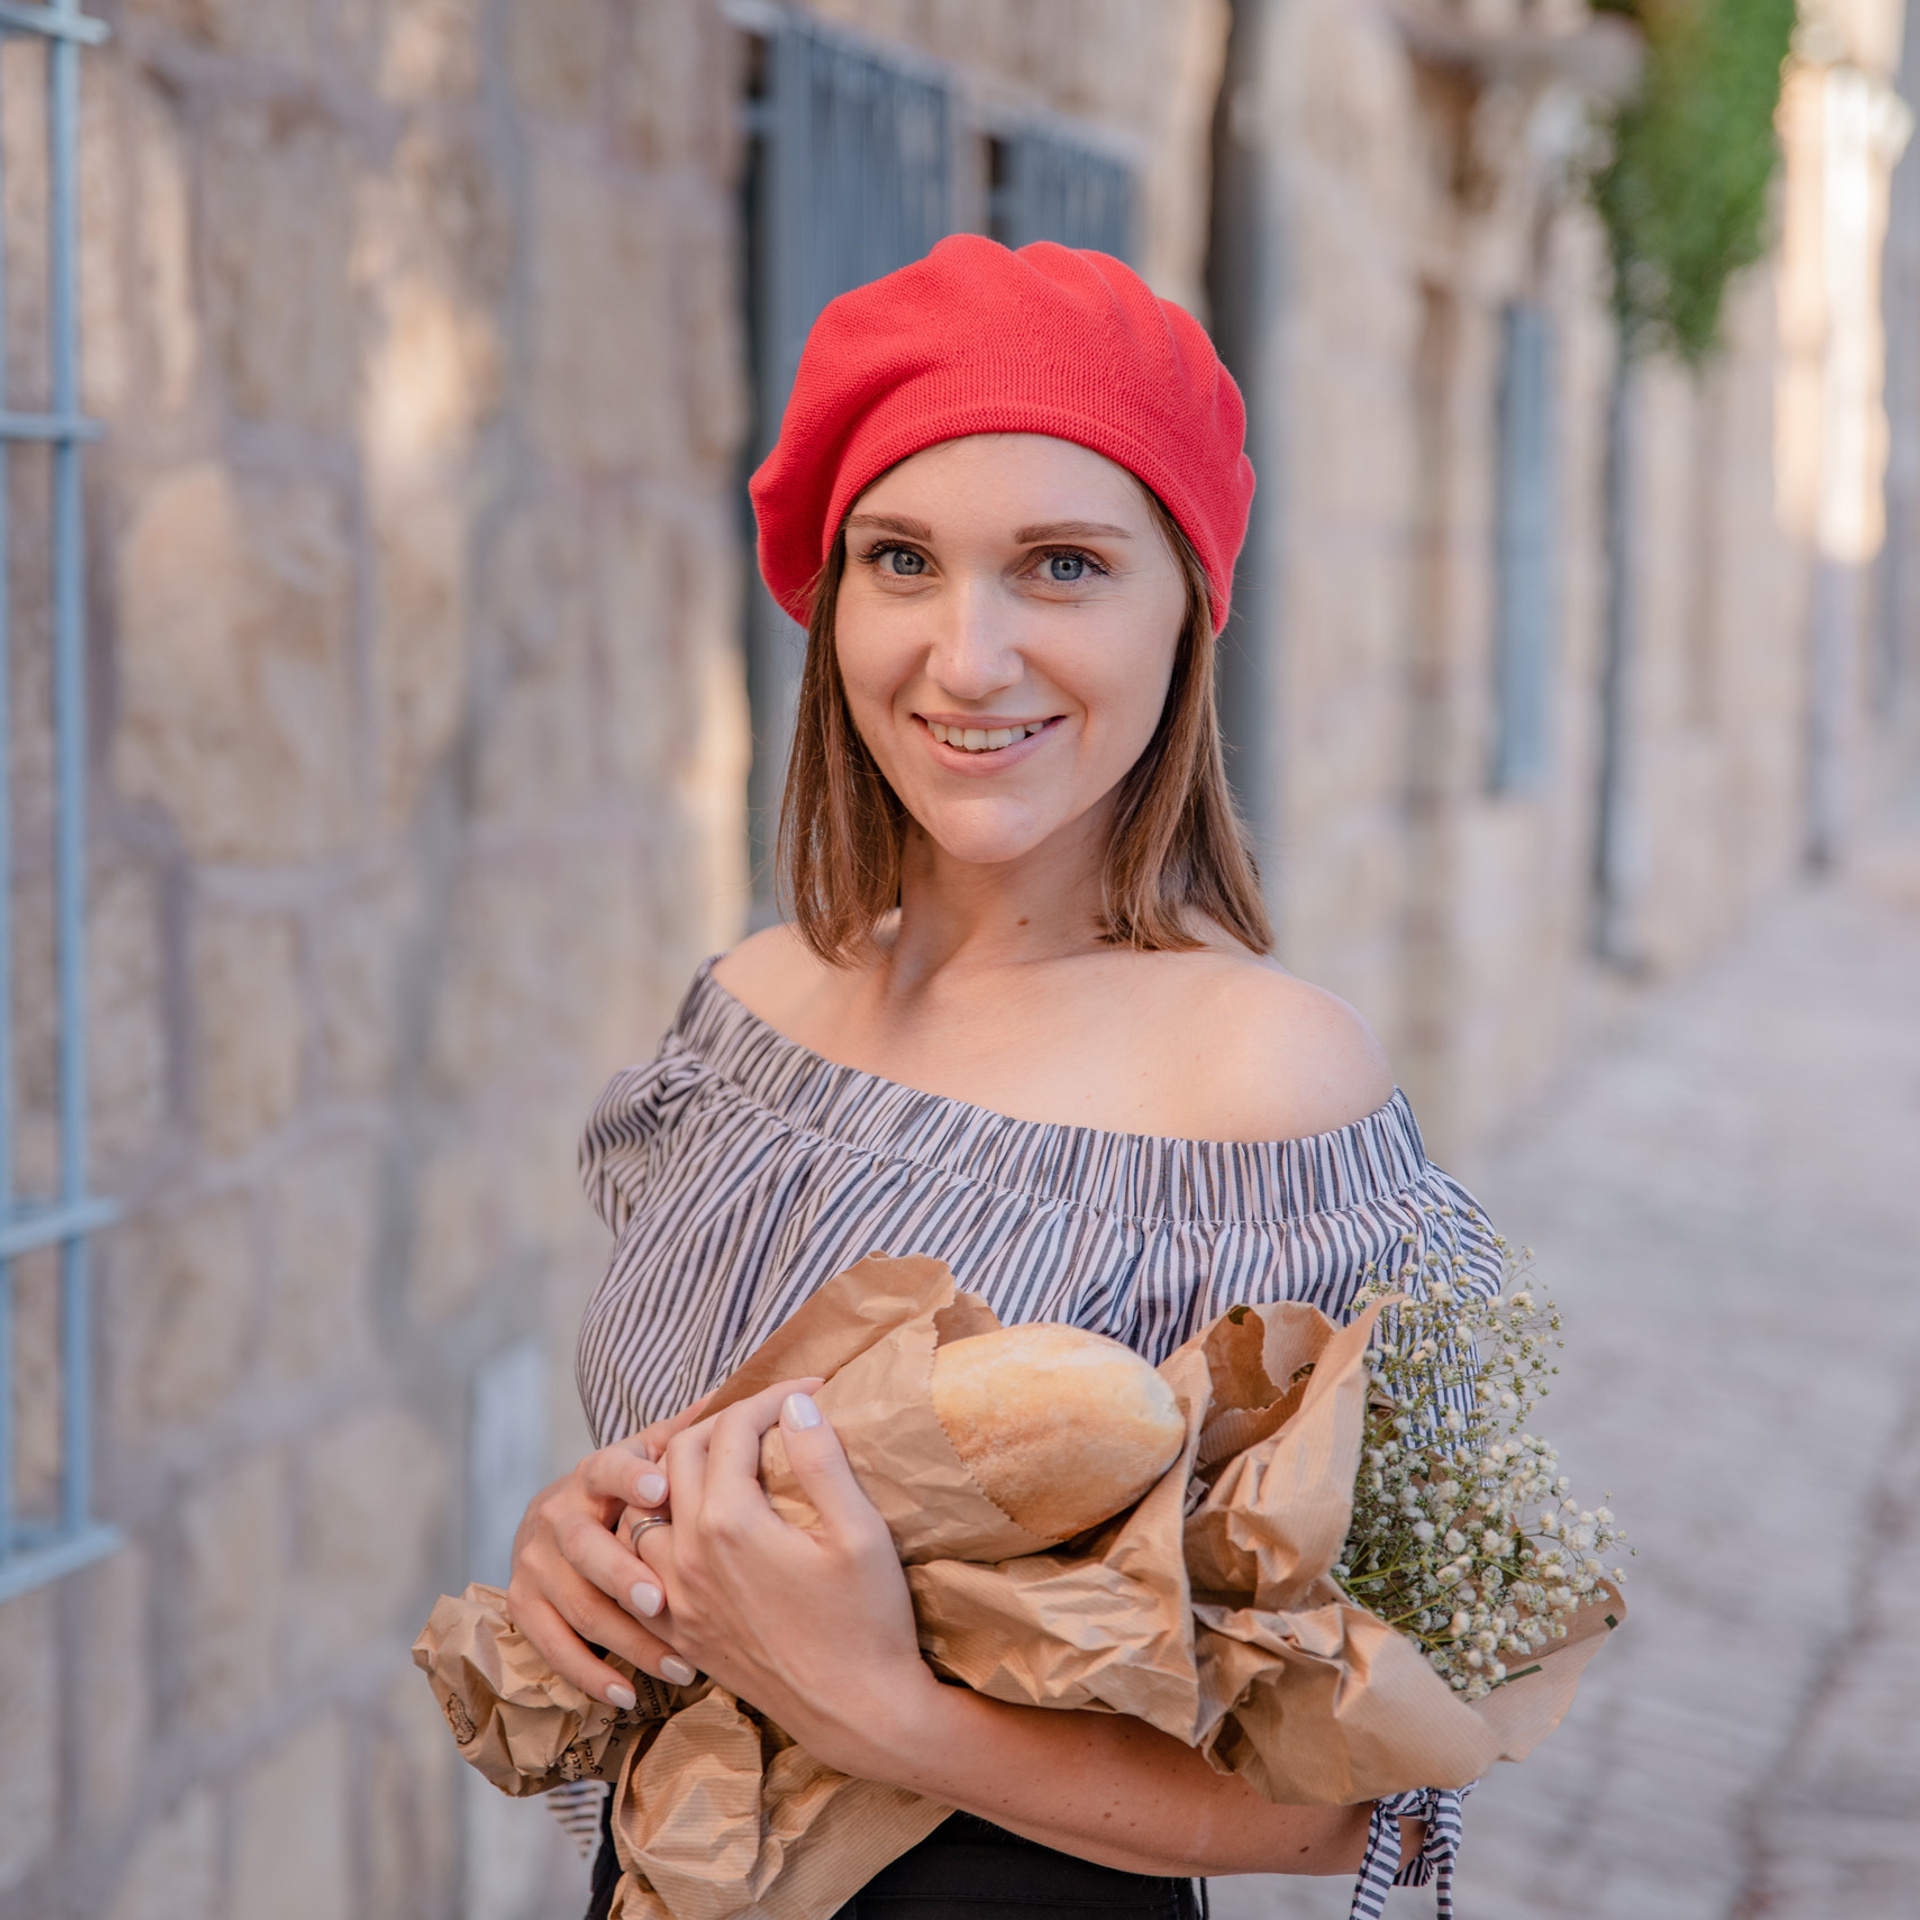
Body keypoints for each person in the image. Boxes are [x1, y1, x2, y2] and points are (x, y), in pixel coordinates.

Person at [507, 237, 1499, 1920]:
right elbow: (686, 1502)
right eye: (903, 561)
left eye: (1060, 566)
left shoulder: (1264, 1084)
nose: (967, 660)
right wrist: (579, 1543)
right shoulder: (749, 1016)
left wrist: (880, 1709)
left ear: (1187, 600)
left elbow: (1366, 1799)